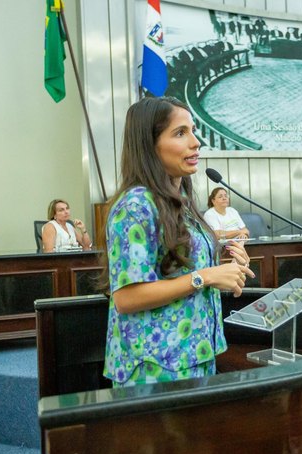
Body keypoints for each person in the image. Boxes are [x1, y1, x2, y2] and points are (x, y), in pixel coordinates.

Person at [103, 96, 254, 387]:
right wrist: (206, 276)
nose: (195, 142)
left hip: (194, 355)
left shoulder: (180, 202)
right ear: (149, 144)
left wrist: (226, 269)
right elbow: (126, 298)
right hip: (155, 367)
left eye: (193, 131)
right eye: (180, 133)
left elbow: (179, 271)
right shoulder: (135, 206)